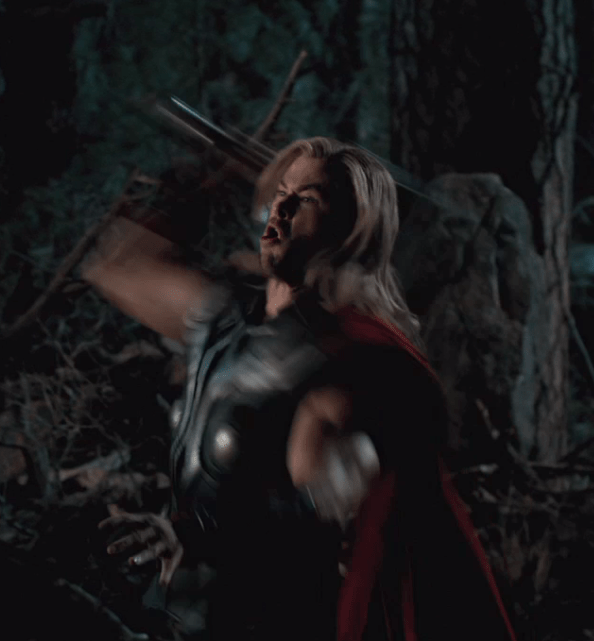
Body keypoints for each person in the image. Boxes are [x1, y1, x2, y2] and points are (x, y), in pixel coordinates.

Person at [85, 137, 516, 641]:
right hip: (179, 618)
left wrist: (187, 533)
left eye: (307, 199)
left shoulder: (346, 363)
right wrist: (203, 172)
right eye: (280, 193)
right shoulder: (222, 318)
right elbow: (116, 267)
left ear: (351, 229)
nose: (282, 209)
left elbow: (315, 511)